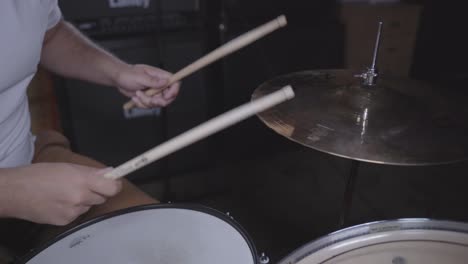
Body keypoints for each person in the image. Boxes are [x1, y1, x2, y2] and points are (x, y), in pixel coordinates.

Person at [0, 0, 180, 259]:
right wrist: (13, 192)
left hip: (28, 160)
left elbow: (48, 35)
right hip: (18, 186)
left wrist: (118, 72)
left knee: (164, 243)